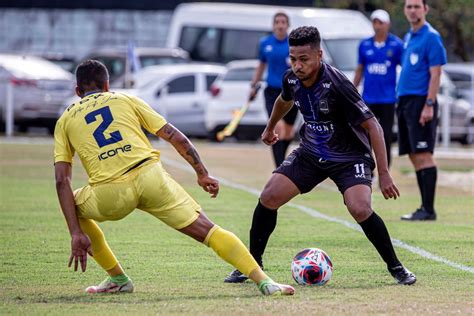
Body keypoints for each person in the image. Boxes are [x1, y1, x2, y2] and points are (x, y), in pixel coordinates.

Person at [54, 59, 294, 296]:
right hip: (152, 178)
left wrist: (76, 232)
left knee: (73, 205)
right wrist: (202, 174)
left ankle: (118, 278)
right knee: (208, 231)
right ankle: (265, 282)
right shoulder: (124, 99)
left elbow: (61, 181)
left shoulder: (65, 119)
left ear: (77, 91)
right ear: (107, 86)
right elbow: (174, 136)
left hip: (110, 194)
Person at [224, 26, 416, 285]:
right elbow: (284, 99)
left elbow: (374, 126)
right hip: (312, 152)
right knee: (269, 196)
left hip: (349, 157)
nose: (297, 65)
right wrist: (270, 128)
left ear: (319, 55)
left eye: (304, 59)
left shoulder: (337, 84)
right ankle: (253, 263)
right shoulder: (291, 78)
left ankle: (396, 267)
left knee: (359, 208)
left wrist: (383, 172)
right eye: (293, 59)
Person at [398, 0, 447, 221]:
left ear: (425, 9)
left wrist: (429, 104)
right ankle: (423, 207)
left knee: (424, 154)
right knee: (413, 154)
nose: (412, 10)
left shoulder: (431, 37)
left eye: (417, 6)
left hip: (421, 102)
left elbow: (435, 74)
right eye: (409, 6)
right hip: (406, 101)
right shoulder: (409, 36)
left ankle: (429, 209)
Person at [353, 9, 403, 167]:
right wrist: (352, 91)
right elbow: (360, 69)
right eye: (374, 22)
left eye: (380, 22)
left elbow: (405, 69)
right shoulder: (364, 44)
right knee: (365, 134)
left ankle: (385, 170)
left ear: (387, 24)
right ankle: (369, 168)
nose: (377, 26)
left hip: (387, 99)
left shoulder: (396, 45)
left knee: (385, 135)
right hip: (368, 98)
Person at [249, 11, 298, 167]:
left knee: (288, 132)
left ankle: (282, 163)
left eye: (283, 22)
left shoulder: (294, 43)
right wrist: (253, 85)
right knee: (278, 127)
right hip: (272, 92)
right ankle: (280, 168)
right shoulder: (265, 43)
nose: (280, 25)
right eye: (277, 22)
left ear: (287, 25)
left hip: (291, 91)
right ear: (273, 25)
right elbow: (261, 65)